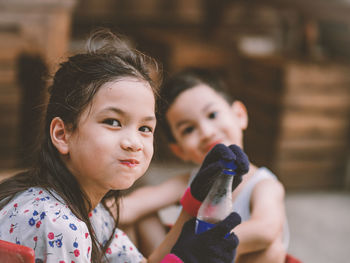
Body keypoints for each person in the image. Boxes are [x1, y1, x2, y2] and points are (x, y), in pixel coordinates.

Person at [0, 30, 243, 263]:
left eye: (145, 128)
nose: (133, 143)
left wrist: (193, 206)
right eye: (113, 122)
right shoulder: (59, 224)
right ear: (62, 134)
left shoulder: (92, 214)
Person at [139, 67, 289, 263]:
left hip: (220, 255)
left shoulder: (263, 184)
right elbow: (136, 204)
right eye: (189, 129)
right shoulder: (191, 182)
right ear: (179, 150)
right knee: (143, 218)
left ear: (239, 115)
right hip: (184, 258)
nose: (207, 132)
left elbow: (265, 229)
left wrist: (200, 243)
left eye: (212, 115)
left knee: (271, 251)